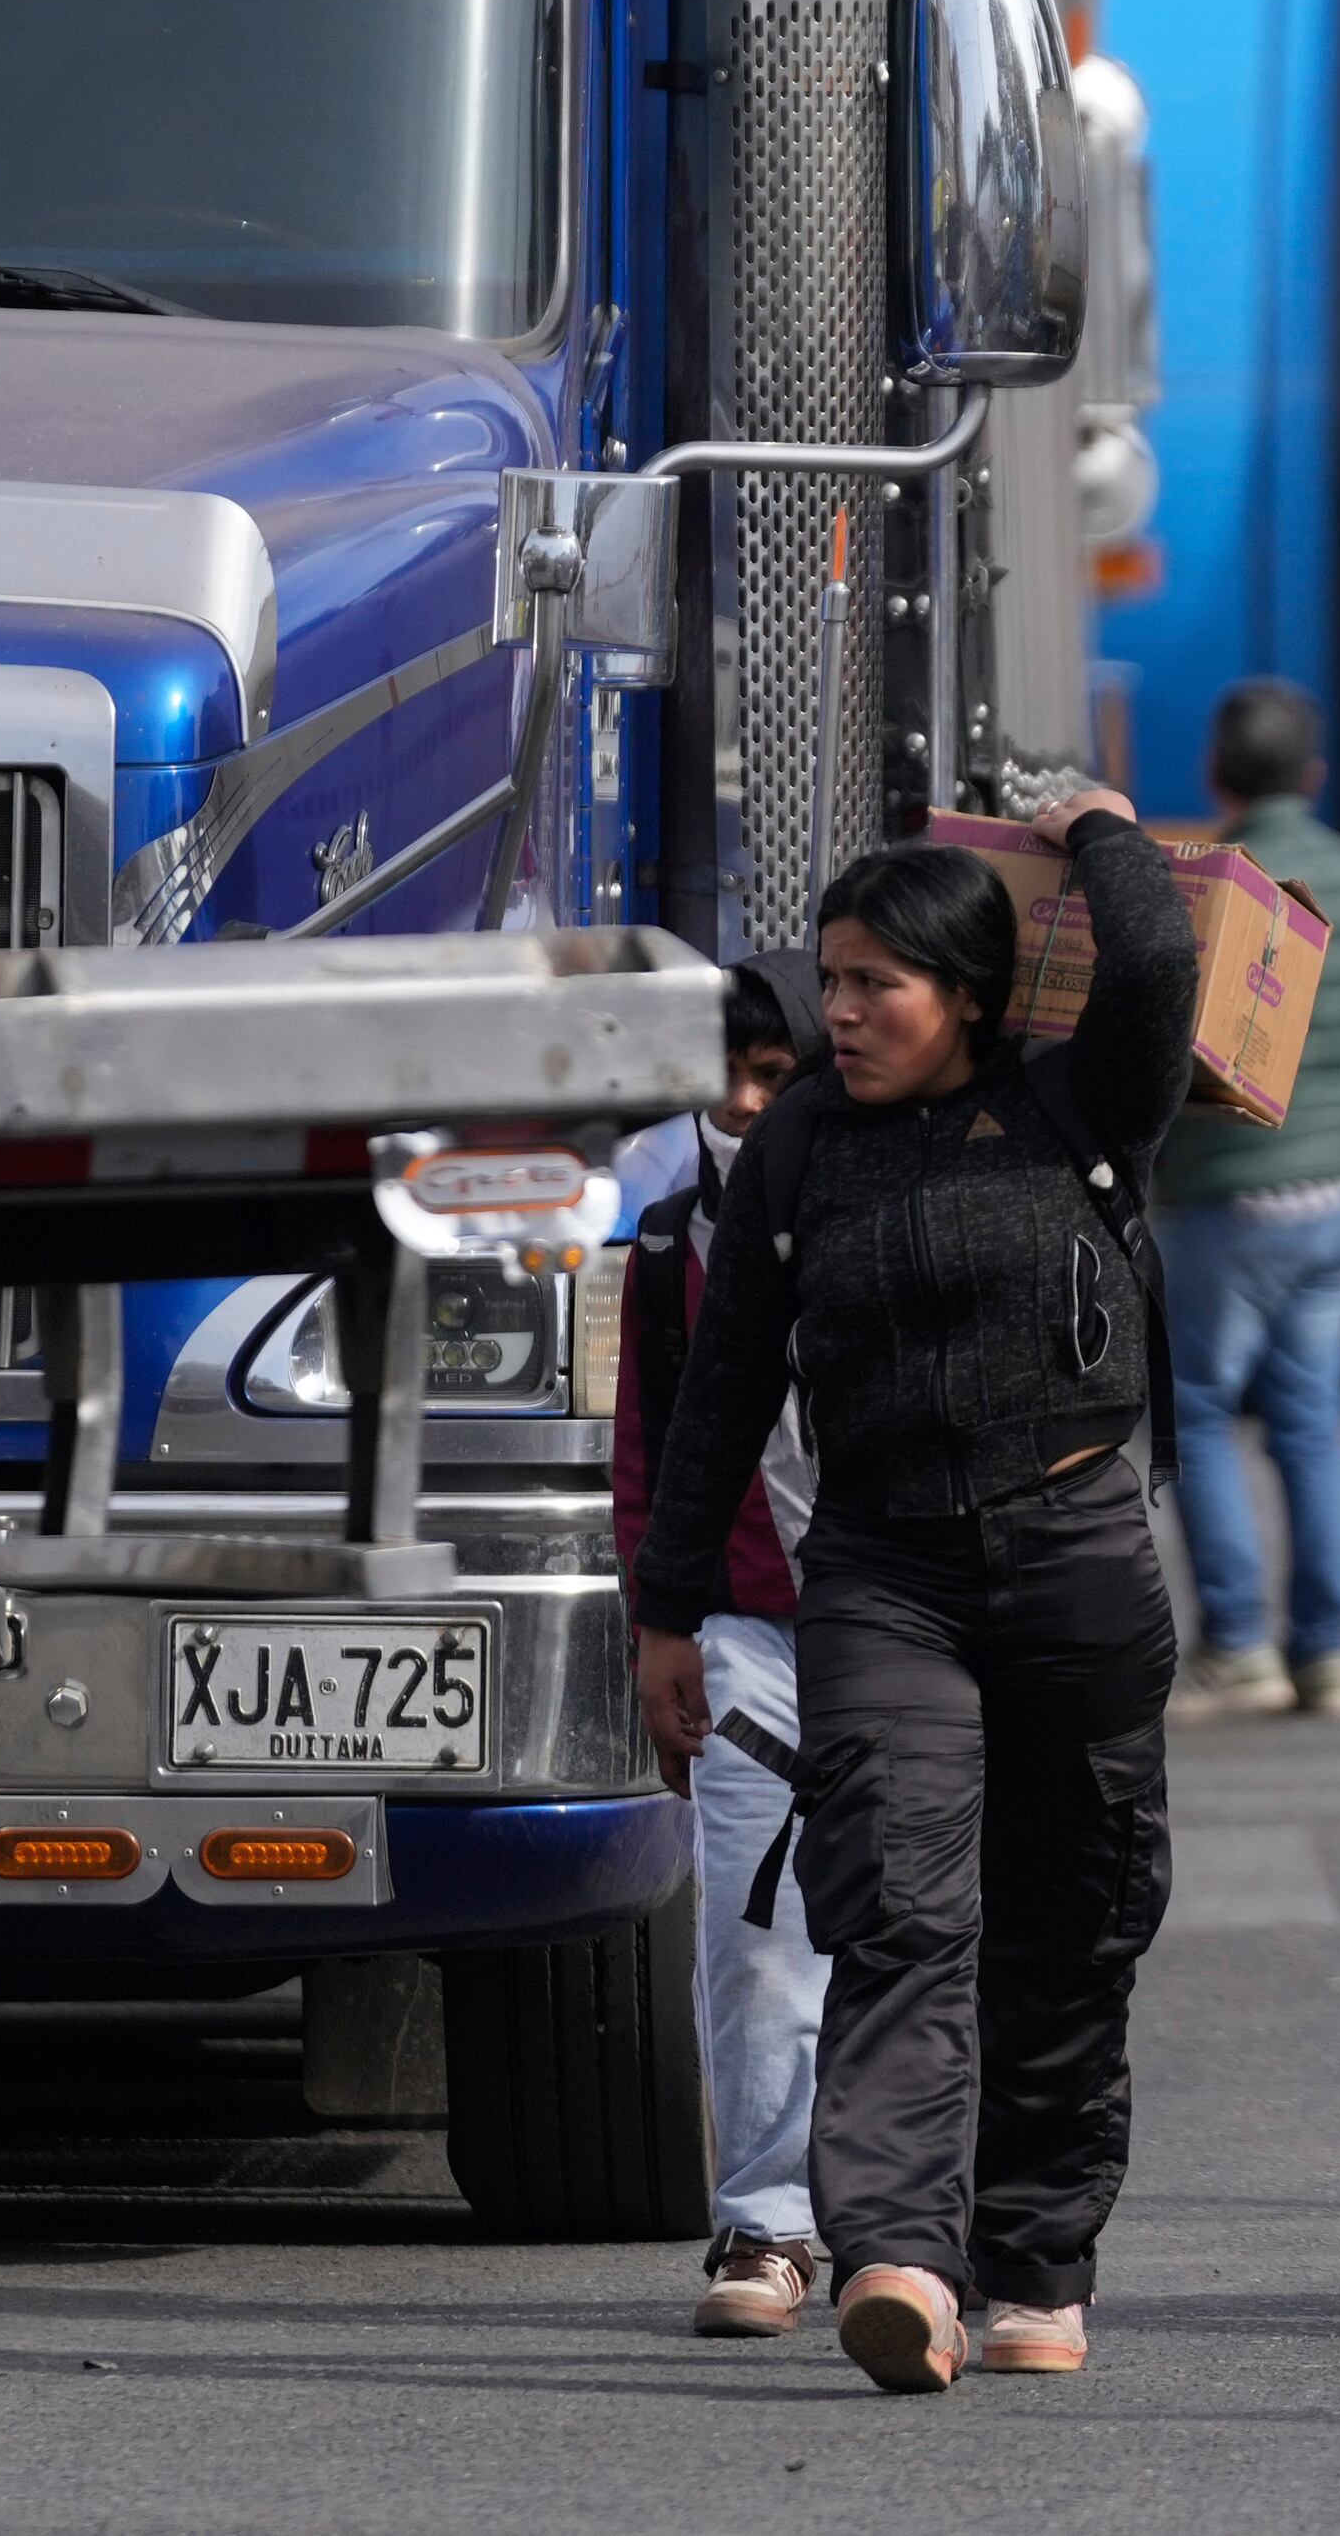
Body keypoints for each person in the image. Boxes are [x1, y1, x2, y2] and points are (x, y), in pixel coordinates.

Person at [633, 794, 1200, 2395]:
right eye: (834, 977)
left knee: (1075, 1918)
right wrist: (669, 1612)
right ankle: (899, 2254)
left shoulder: (1081, 1098)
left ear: (969, 990)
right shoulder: (804, 1140)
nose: (845, 1009)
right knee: (895, 1901)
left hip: (1078, 1557)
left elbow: (1154, 955)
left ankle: (1034, 2260)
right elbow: (726, 1381)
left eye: (880, 980)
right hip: (884, 1571)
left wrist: (1096, 827)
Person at [608, 953, 824, 2339]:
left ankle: (919, 2217)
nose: (744, 1104)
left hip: (911, 1630)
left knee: (911, 1939)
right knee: (754, 1926)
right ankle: (766, 2223)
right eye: (725, 1077)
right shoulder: (668, 1247)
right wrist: (658, 1626)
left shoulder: (897, 1215)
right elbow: (650, 1460)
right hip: (742, 1631)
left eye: (773, 1075)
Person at [1159, 678, 1340, 1724]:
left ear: (1216, 779)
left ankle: (1238, 1644)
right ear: (1312, 777)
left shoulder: (1221, 888)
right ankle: (1328, 1655)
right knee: (1311, 1423)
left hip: (1228, 1195)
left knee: (1202, 1416)